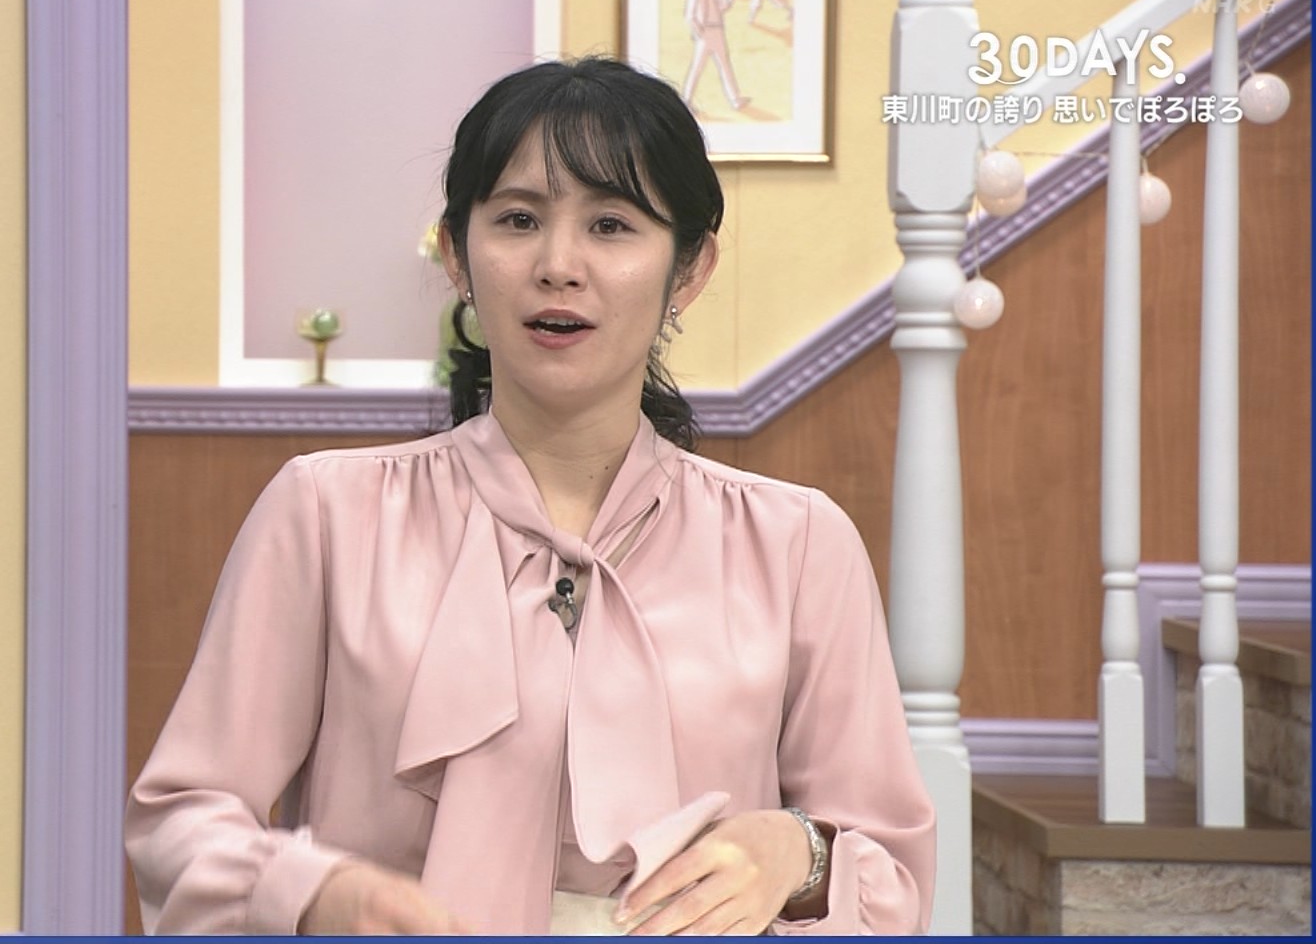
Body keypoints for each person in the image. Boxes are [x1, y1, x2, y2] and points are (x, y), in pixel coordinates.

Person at [125, 58, 935, 936]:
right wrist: (313, 892)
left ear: (690, 269)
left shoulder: (799, 542)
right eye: (518, 220)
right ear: (457, 255)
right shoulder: (326, 513)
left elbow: (890, 877)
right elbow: (181, 823)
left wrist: (798, 852)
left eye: (611, 225)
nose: (558, 266)